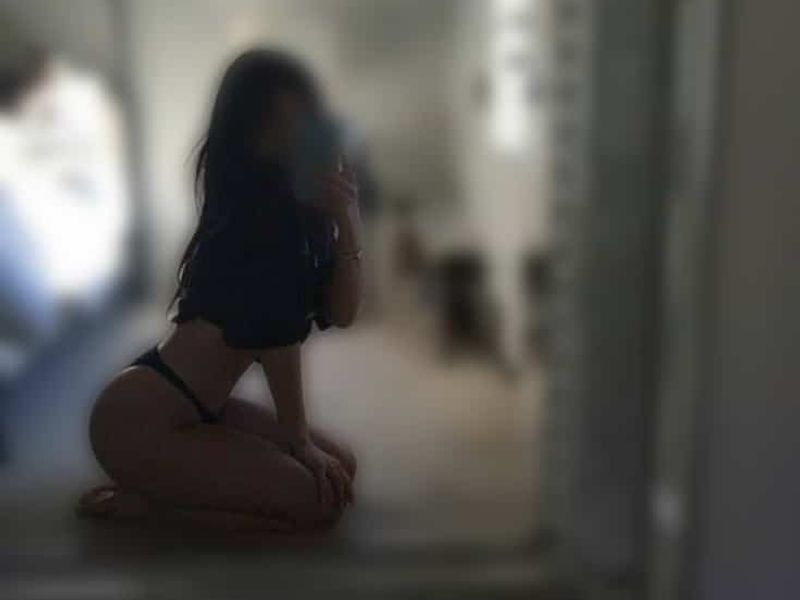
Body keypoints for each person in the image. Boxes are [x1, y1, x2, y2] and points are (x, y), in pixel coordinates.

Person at [77, 49, 363, 533]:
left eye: (298, 120)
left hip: (203, 409)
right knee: (317, 503)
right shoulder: (256, 213)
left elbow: (342, 313)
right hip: (138, 419)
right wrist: (298, 442)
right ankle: (147, 508)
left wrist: (347, 221)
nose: (288, 137)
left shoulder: (299, 209)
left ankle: (174, 484)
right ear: (246, 133)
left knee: (342, 467)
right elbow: (276, 338)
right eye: (272, 124)